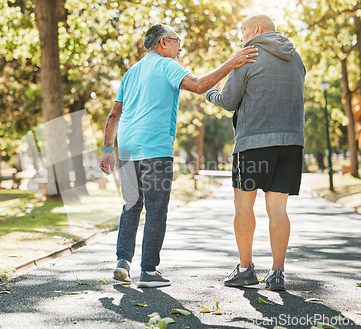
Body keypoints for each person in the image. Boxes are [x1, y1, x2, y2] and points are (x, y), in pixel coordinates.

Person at [99, 23, 258, 288]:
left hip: (126, 152)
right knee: (156, 210)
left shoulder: (131, 72)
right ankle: (148, 272)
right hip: (155, 152)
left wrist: (106, 150)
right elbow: (197, 85)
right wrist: (231, 63)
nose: (180, 48)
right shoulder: (166, 65)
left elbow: (114, 114)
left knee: (130, 207)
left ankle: (122, 263)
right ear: (163, 42)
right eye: (176, 41)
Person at [205, 15, 306, 291]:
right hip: (291, 143)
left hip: (254, 145)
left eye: (242, 30)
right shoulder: (295, 57)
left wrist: (210, 93)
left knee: (243, 207)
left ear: (257, 30)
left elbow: (227, 101)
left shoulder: (248, 55)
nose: (240, 37)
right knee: (278, 210)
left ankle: (246, 269)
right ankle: (277, 273)